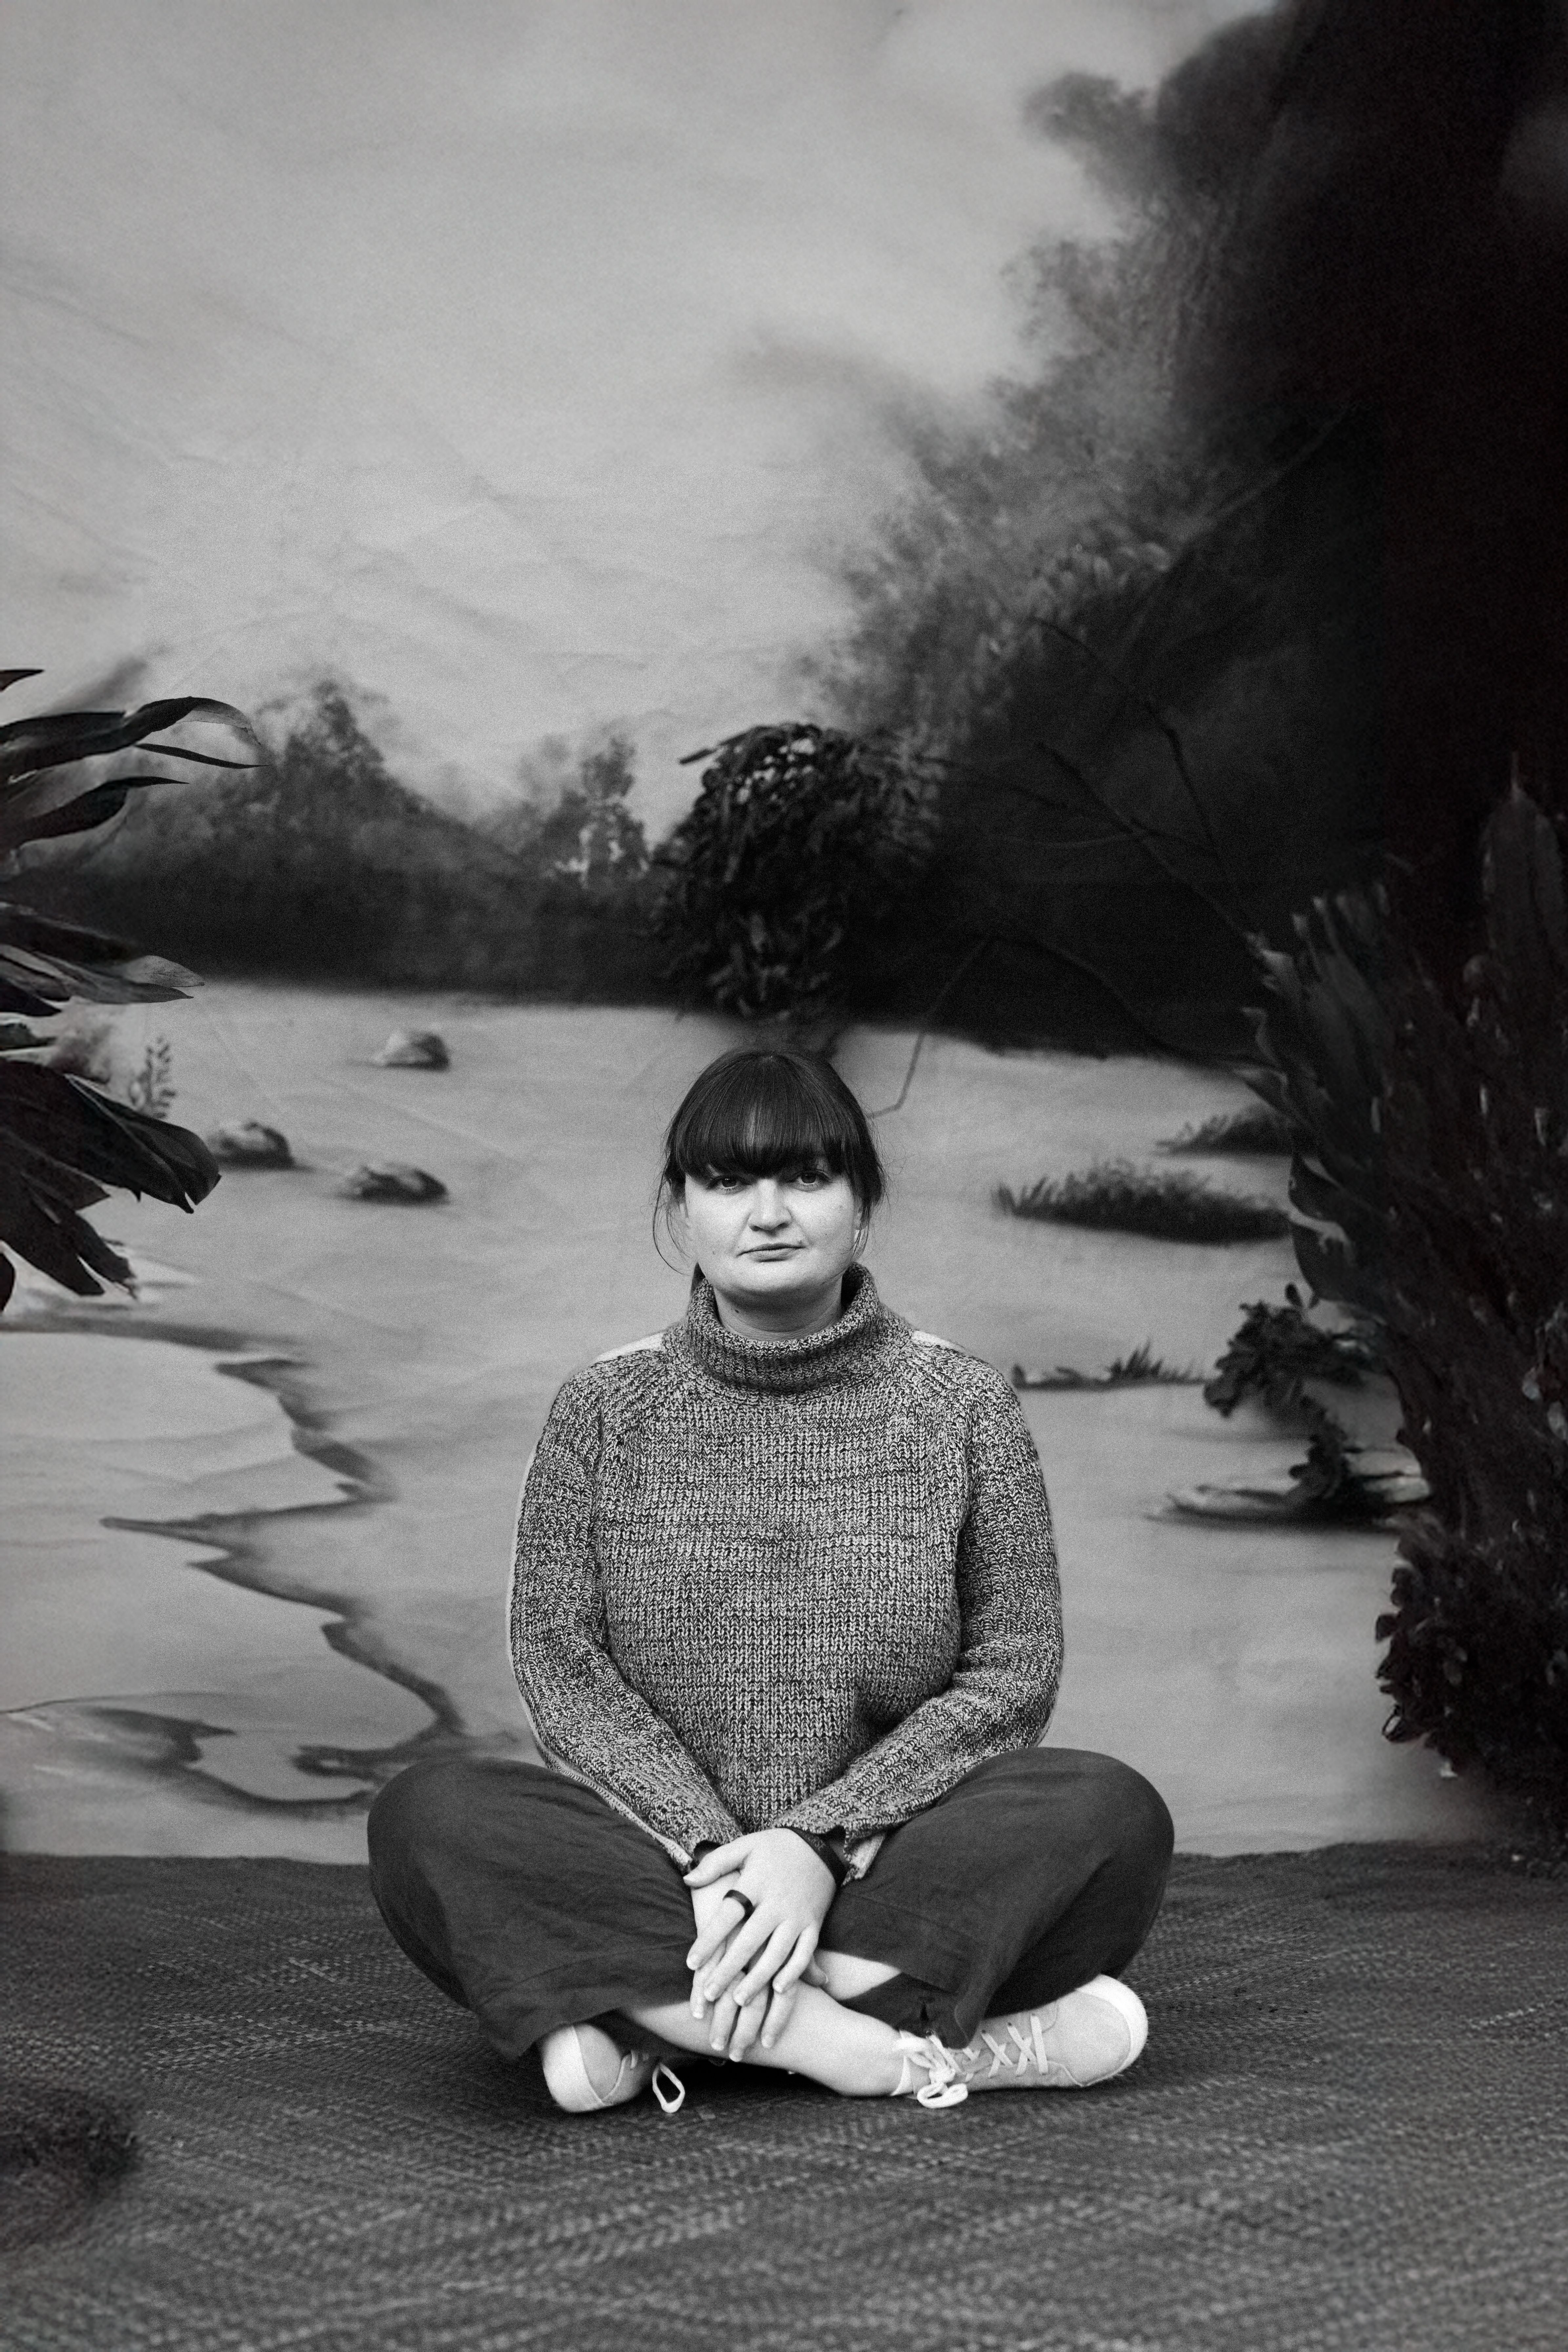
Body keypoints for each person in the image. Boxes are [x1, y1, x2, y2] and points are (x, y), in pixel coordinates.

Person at [368, 1045, 1173, 2115]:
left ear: (863, 1204)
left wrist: (816, 1843)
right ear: (682, 1207)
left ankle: (668, 2024)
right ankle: (832, 2034)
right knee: (430, 1814)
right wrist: (718, 1856)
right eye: (730, 1180)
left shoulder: (962, 1405)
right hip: (664, 1868)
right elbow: (561, 1666)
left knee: (1110, 1813)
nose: (770, 1211)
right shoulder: (603, 1409)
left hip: (885, 1867)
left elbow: (1013, 1672)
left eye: (807, 1177)